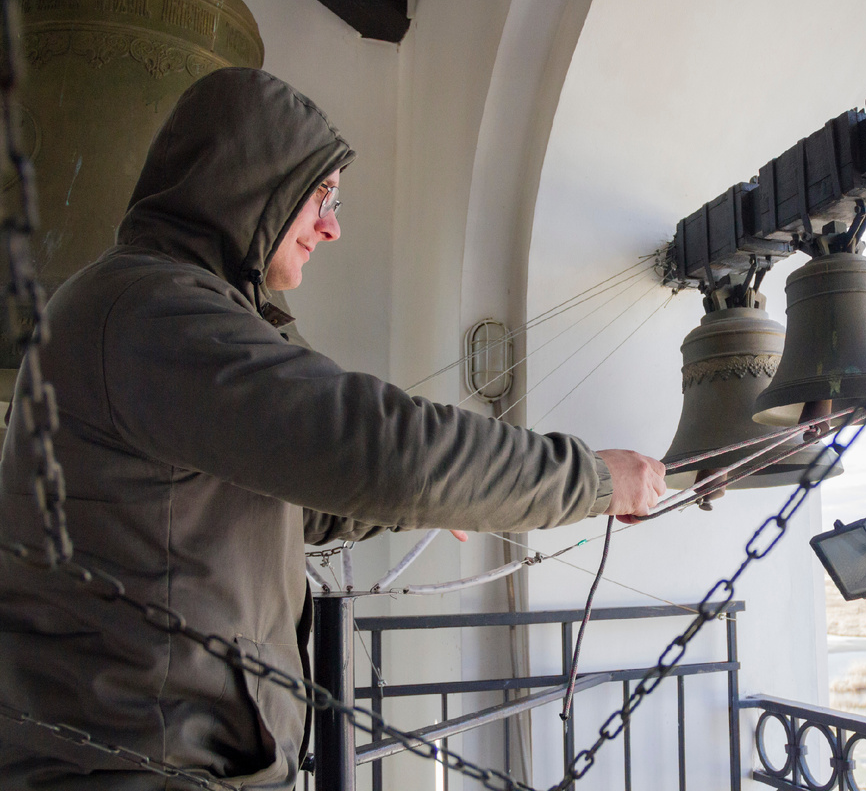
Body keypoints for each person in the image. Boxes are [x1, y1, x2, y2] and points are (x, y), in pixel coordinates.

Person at [0, 67, 665, 789]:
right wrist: (596, 481)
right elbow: (381, 451)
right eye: (321, 196)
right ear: (249, 181)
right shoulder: (148, 311)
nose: (333, 225)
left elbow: (306, 501)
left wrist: (433, 501)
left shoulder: (150, 308)